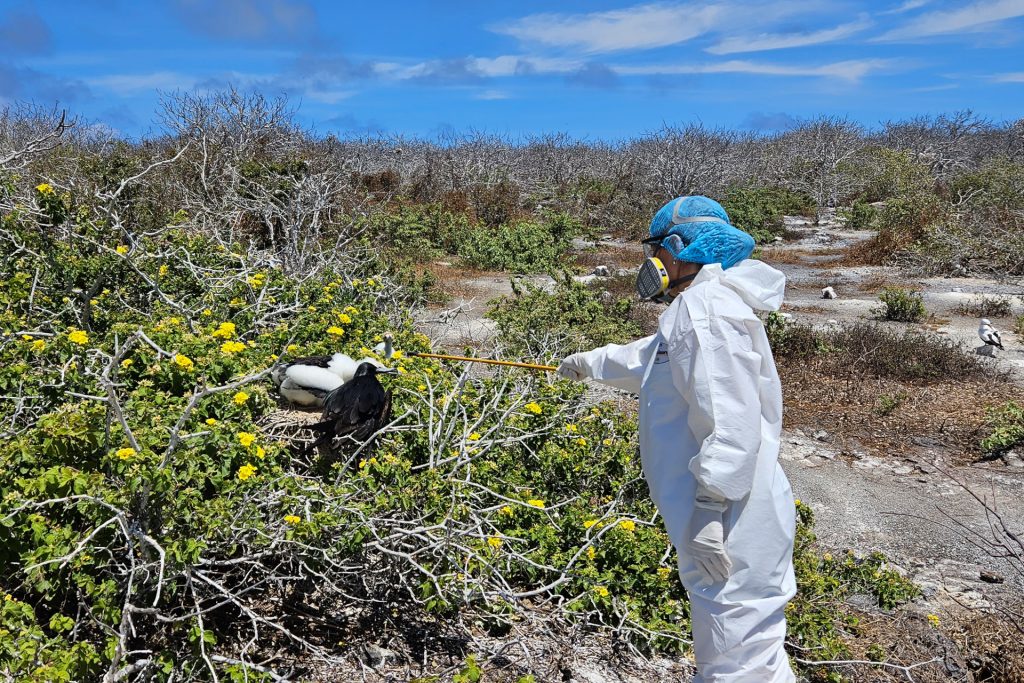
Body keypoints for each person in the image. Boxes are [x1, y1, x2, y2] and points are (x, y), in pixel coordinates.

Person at [558, 195, 797, 682]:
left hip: (729, 519)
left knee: (736, 661)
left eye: (653, 249)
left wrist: (710, 509)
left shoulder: (704, 309)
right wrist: (589, 362)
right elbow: (655, 358)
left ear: (674, 246)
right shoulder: (705, 305)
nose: (649, 263)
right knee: (753, 654)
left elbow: (731, 418)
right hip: (737, 509)